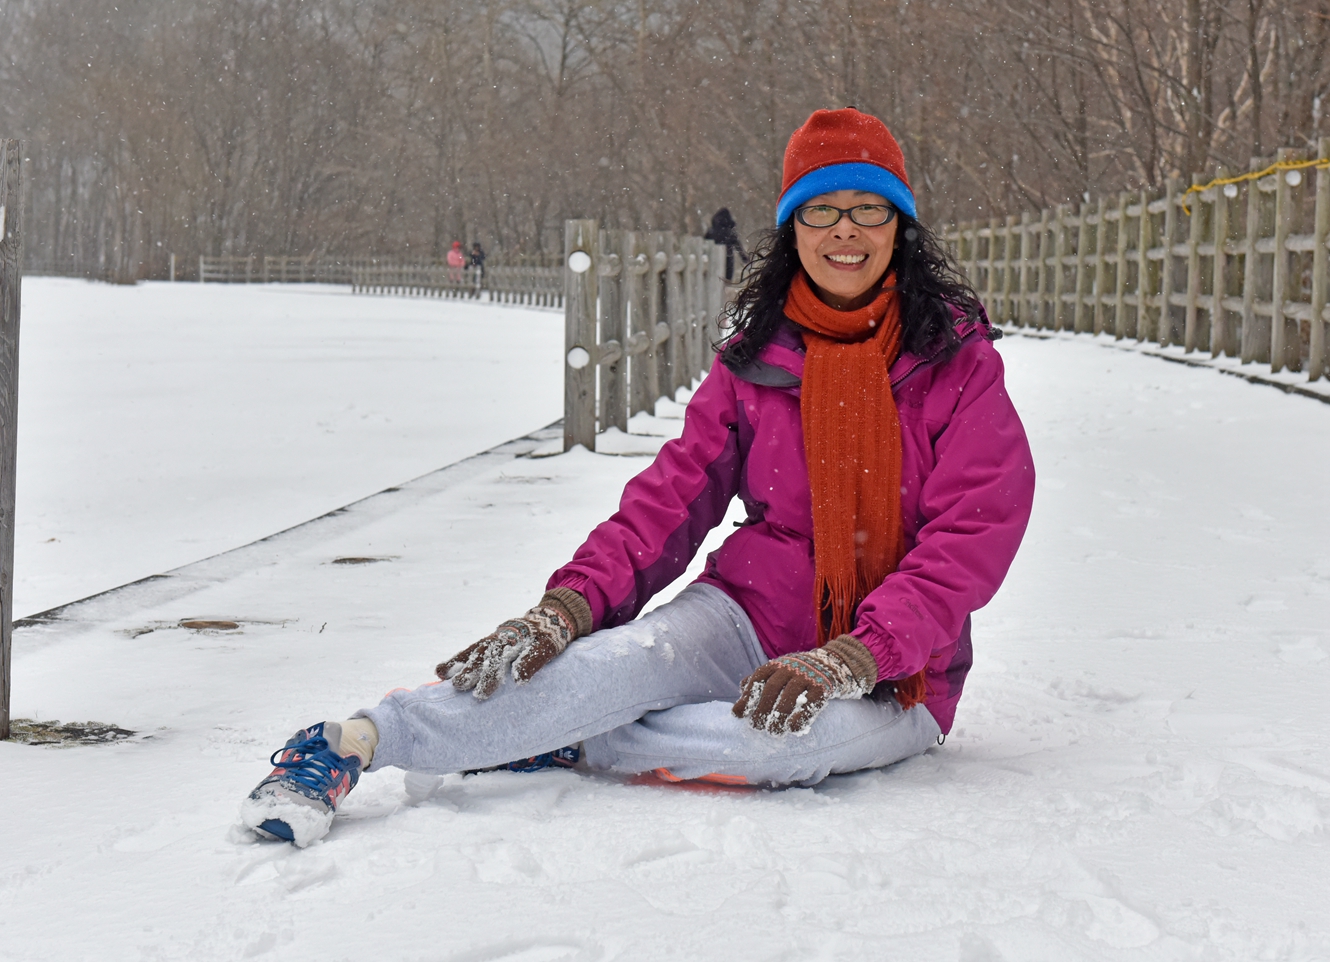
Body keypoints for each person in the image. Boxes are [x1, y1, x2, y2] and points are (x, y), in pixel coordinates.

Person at [241, 108, 1036, 847]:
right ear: (794, 228)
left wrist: (854, 655)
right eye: (822, 210)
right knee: (607, 668)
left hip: (893, 674)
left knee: (766, 752)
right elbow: (670, 500)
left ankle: (556, 731)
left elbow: (971, 536)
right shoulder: (758, 360)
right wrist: (569, 605)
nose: (846, 232)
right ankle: (357, 741)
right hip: (748, 608)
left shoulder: (956, 365)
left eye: (869, 209)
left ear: (901, 225)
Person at [703, 207, 747, 281]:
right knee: (725, 283)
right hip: (727, 264)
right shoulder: (730, 232)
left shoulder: (711, 232)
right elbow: (737, 245)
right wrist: (744, 258)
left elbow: (704, 246)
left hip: (712, 264)